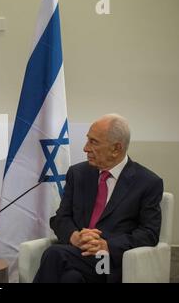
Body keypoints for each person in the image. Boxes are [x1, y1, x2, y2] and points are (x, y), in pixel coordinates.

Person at [33, 114, 163, 283]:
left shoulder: (147, 183)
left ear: (116, 149)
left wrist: (106, 245)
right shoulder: (78, 174)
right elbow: (60, 218)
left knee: (54, 253)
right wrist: (75, 237)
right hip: (76, 255)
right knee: (70, 278)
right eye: (88, 140)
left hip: (108, 262)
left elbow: (149, 233)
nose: (85, 148)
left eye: (93, 142)